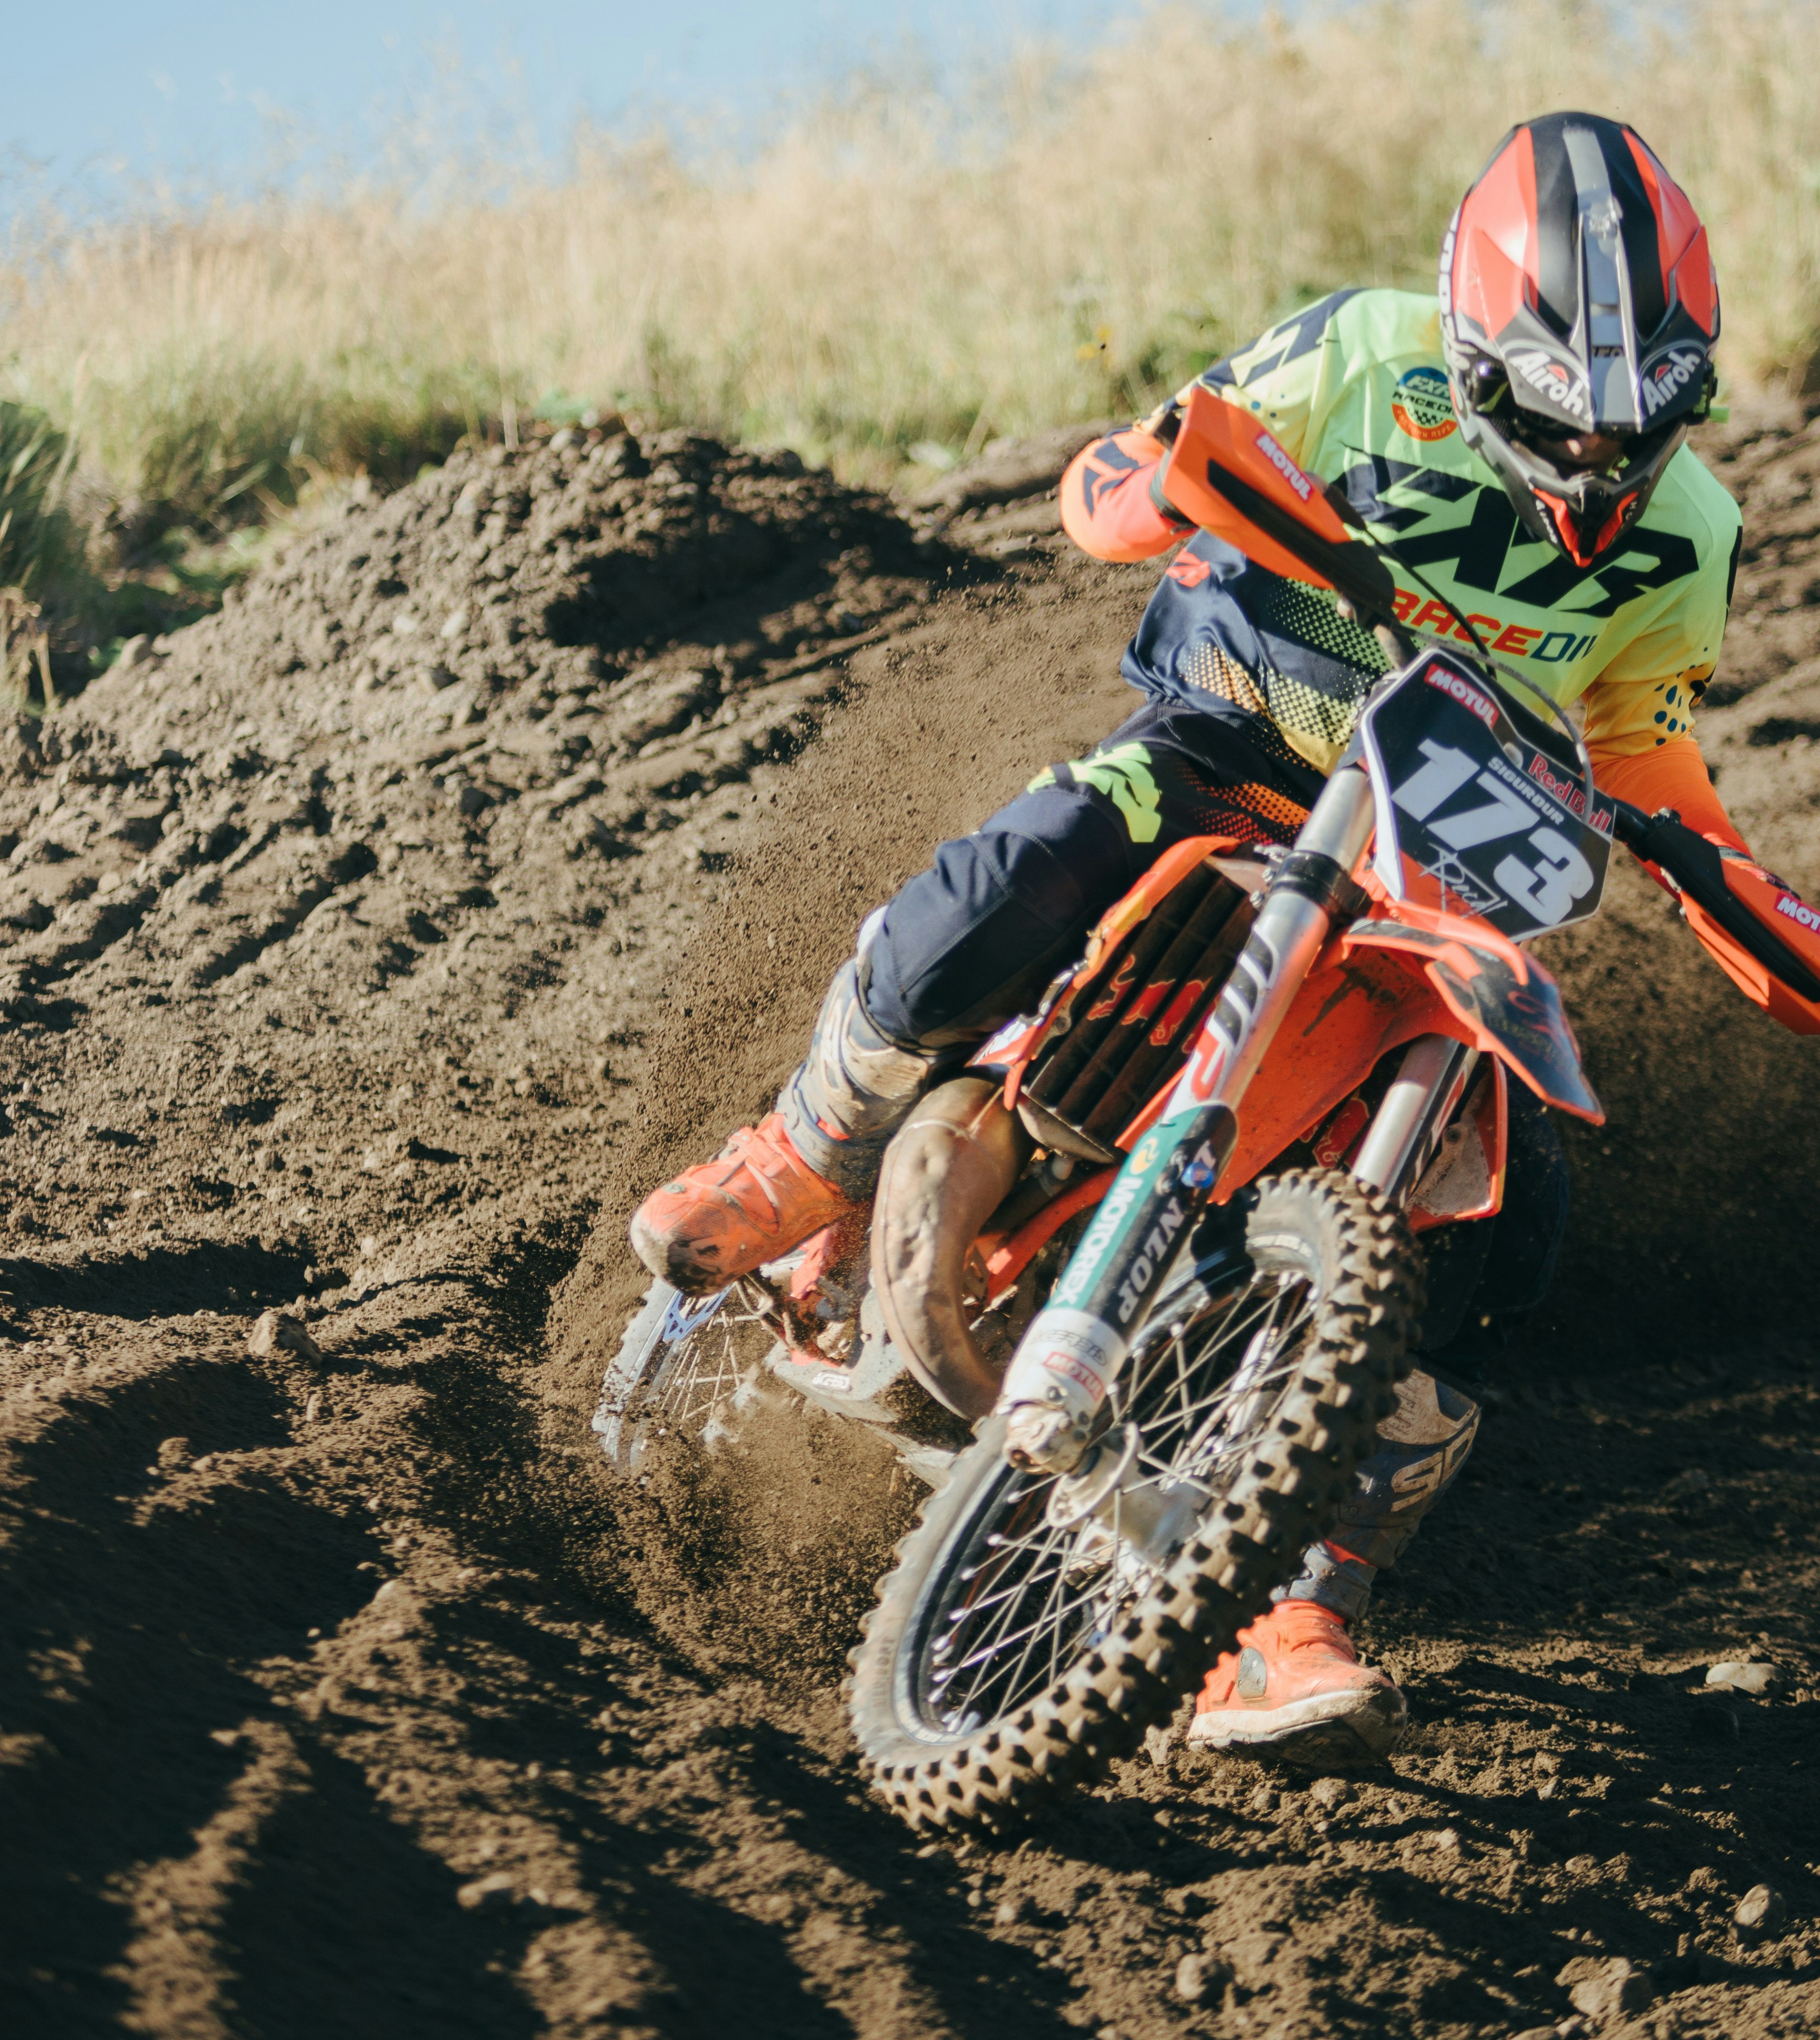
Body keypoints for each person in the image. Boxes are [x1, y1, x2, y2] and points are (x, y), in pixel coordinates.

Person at [630, 112, 1753, 1772]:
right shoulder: (1364, 357)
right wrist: (1149, 485)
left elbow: (1644, 737)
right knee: (1030, 864)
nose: (1595, 468)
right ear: (1468, 348)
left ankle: (1288, 1596)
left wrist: (1717, 862)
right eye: (1555, 423)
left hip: (1442, 853)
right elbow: (1121, 471)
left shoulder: (1692, 537)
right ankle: (803, 1151)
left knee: (1515, 1221)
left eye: (1637, 430)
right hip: (1243, 746)